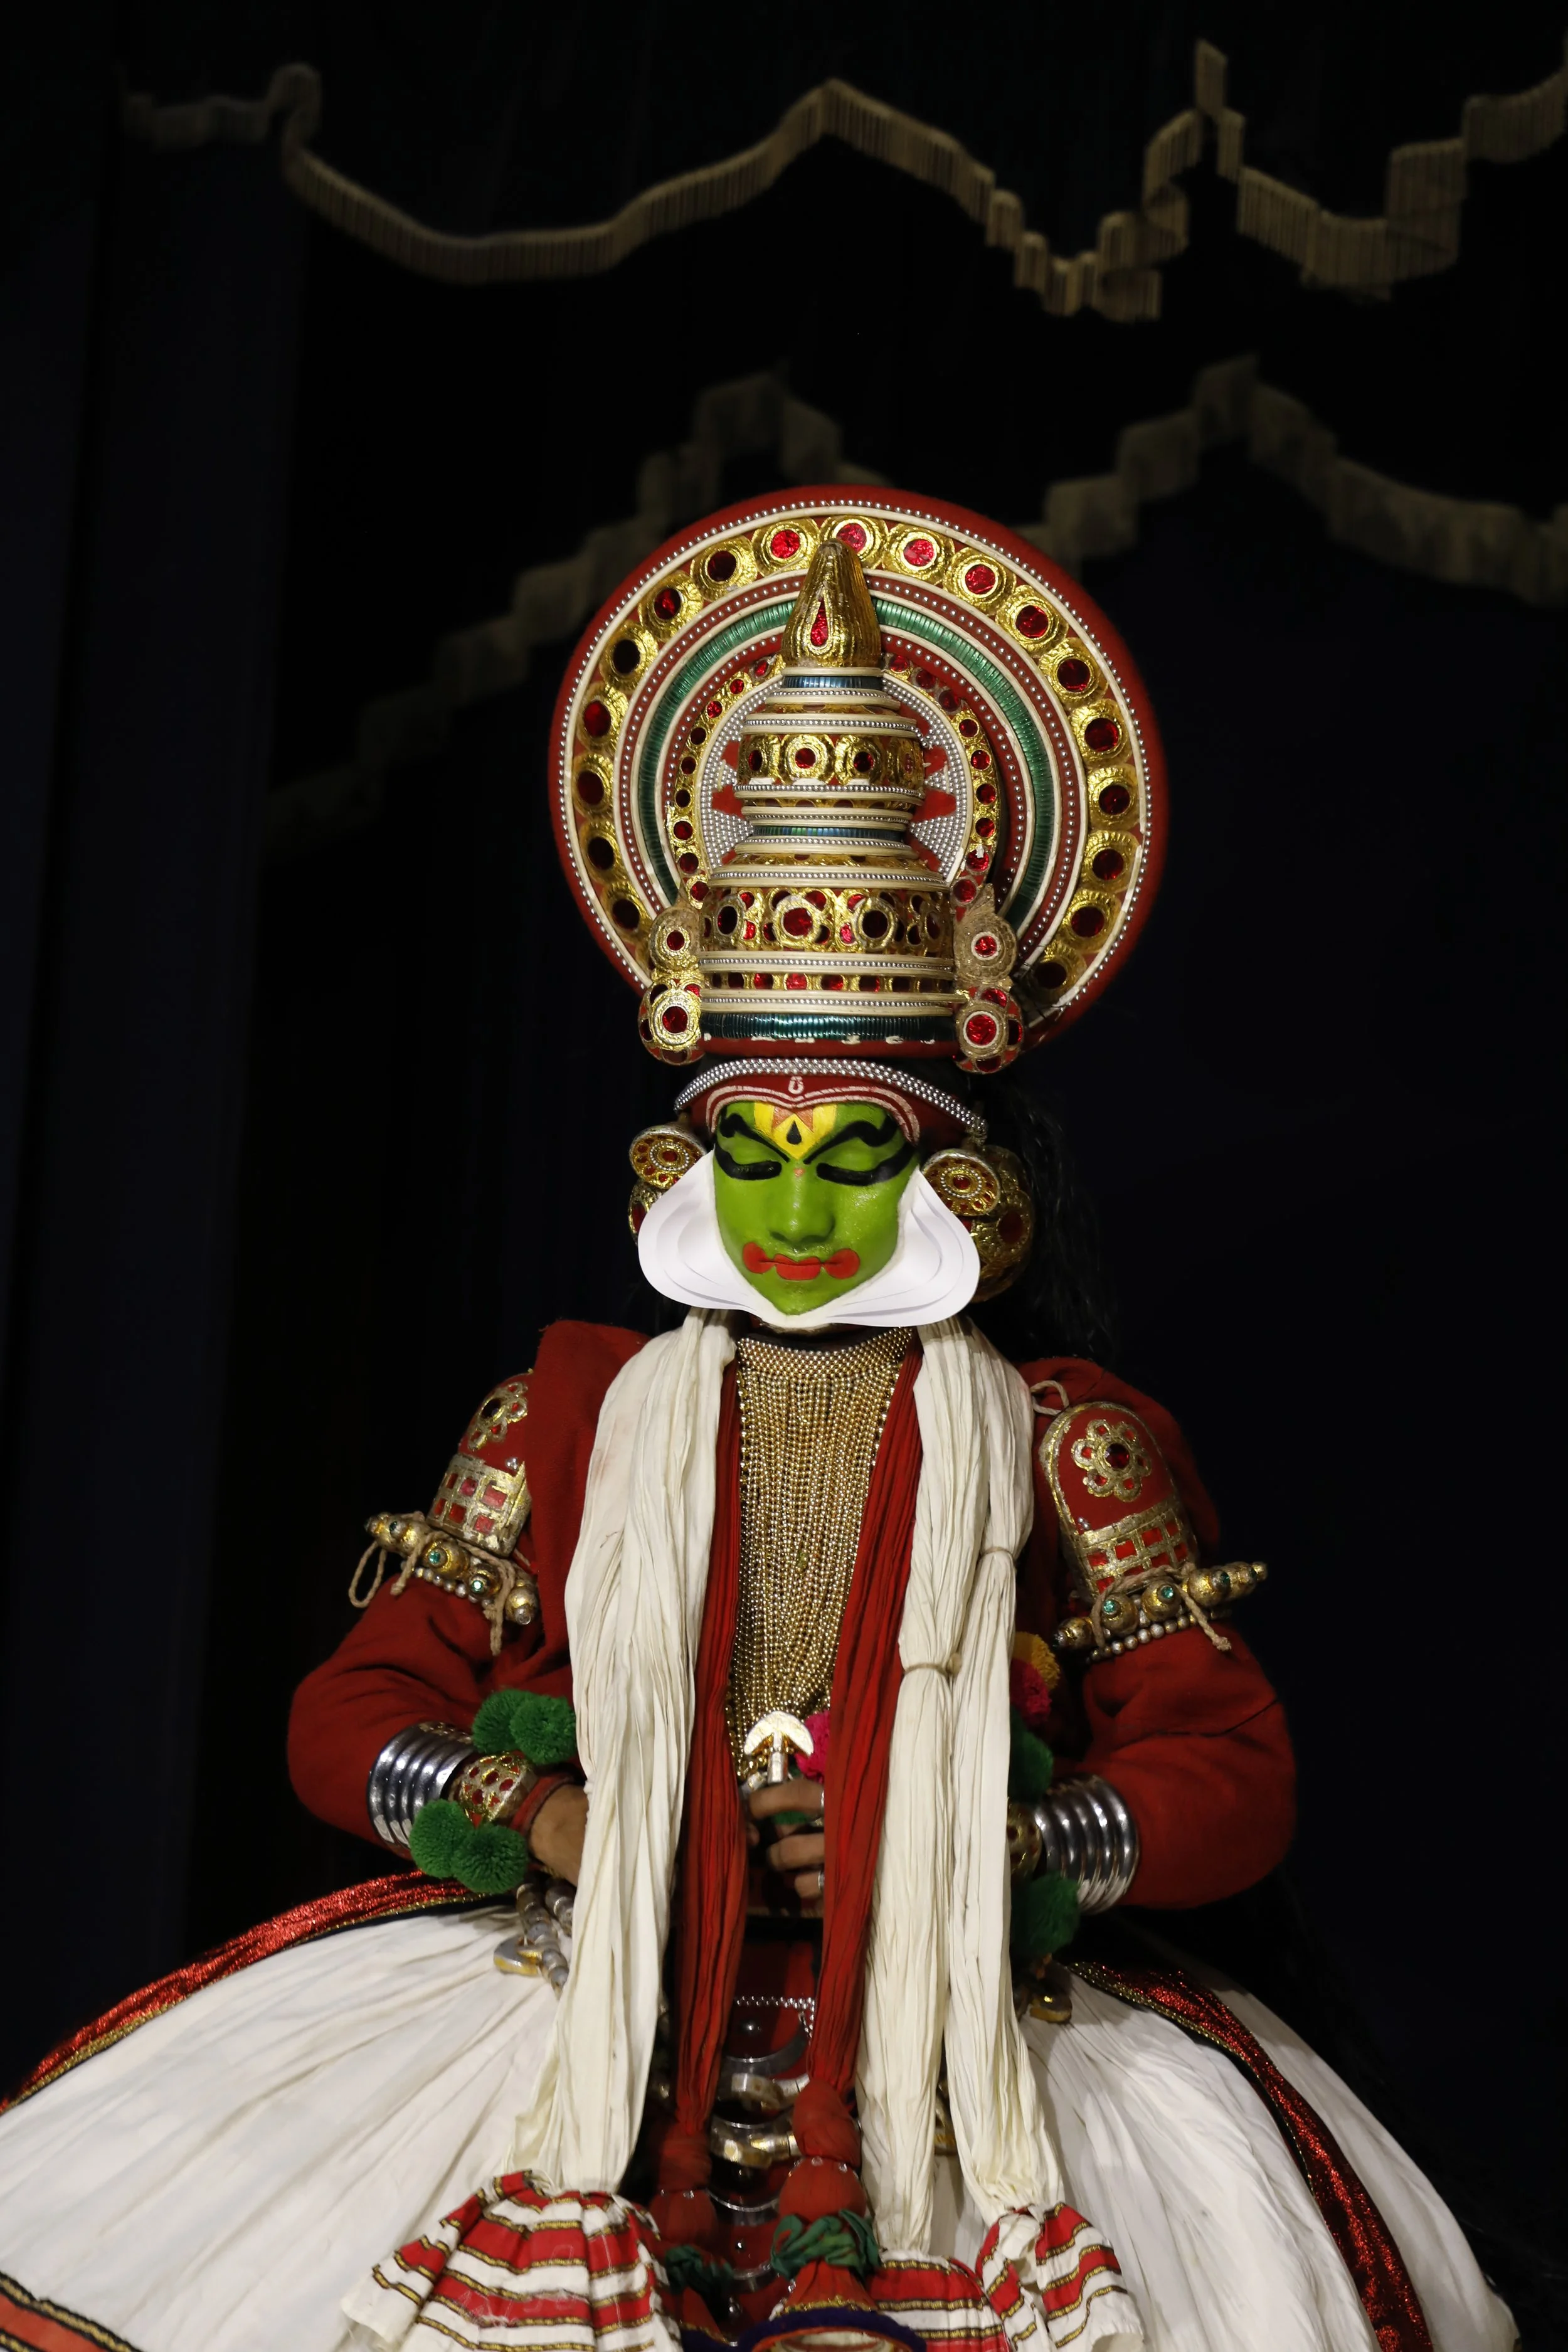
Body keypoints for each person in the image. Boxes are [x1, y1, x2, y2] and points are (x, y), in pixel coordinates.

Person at [0, 502, 1513, 2352]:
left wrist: (980, 1842)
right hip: (582, 1993)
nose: (797, 1216)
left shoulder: (1062, 1443)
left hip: (961, 2030)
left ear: (970, 1190)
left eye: (854, 1157)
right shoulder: (565, 1414)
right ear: (676, 1165)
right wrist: (554, 1812)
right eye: (755, 1155)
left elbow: (1229, 1770)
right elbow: (354, 1710)